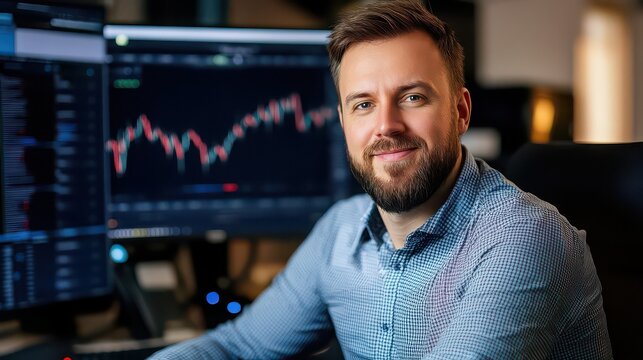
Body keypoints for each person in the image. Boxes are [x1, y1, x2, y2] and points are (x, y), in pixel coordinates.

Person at [150, 0, 612, 358]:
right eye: (363, 104)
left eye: (411, 97)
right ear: (344, 122)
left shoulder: (524, 238)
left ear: (461, 111)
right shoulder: (342, 230)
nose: (386, 125)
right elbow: (235, 347)